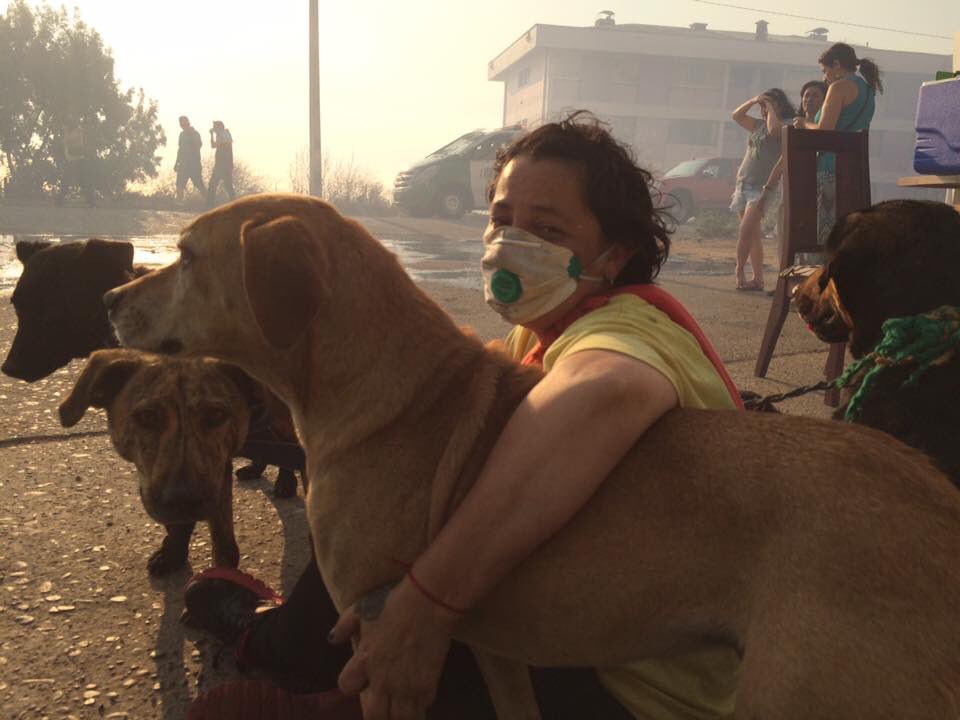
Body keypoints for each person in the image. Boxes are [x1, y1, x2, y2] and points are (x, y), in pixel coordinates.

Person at [184, 114, 744, 720]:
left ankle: (293, 657)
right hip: (578, 638)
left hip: (631, 689)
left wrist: (425, 604)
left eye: (547, 228)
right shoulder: (537, 337)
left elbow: (602, 393)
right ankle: (317, 665)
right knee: (381, 490)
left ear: (615, 255)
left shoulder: (630, 326)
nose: (510, 241)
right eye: (502, 219)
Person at [794, 42, 882, 243]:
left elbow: (825, 131)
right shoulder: (868, 90)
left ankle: (823, 272)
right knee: (848, 233)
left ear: (836, 64)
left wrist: (805, 123)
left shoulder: (839, 87)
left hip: (829, 168)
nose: (825, 77)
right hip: (853, 168)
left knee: (825, 232)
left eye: (825, 71)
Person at [729, 89, 796, 291]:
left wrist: (770, 108)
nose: (763, 109)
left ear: (780, 106)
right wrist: (754, 100)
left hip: (763, 189)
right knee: (753, 235)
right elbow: (736, 115)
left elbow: (774, 130)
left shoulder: (786, 125)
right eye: (762, 106)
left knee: (745, 231)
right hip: (743, 184)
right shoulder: (757, 125)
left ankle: (739, 271)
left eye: (768, 105)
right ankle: (758, 280)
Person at [57, 118, 96, 207]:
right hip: (71, 159)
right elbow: (65, 144)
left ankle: (91, 201)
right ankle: (59, 201)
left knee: (81, 181)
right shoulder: (72, 131)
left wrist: (66, 132)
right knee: (67, 180)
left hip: (78, 160)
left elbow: (67, 141)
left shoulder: (78, 131)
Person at [174, 115, 204, 201]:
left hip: (194, 164)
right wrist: (176, 163)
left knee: (199, 184)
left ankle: (209, 202)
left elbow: (199, 146)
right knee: (179, 184)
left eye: (184, 122)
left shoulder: (195, 134)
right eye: (181, 123)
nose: (182, 125)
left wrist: (191, 136)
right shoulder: (182, 135)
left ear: (188, 122)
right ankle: (179, 202)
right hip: (183, 164)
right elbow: (180, 150)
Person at [207, 120, 236, 207]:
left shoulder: (225, 133)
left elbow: (226, 143)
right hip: (221, 164)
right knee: (223, 185)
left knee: (220, 184)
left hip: (224, 164)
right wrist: (212, 135)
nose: (214, 129)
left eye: (215, 127)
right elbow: (213, 146)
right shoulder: (220, 135)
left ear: (219, 127)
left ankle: (210, 205)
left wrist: (217, 134)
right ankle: (210, 204)